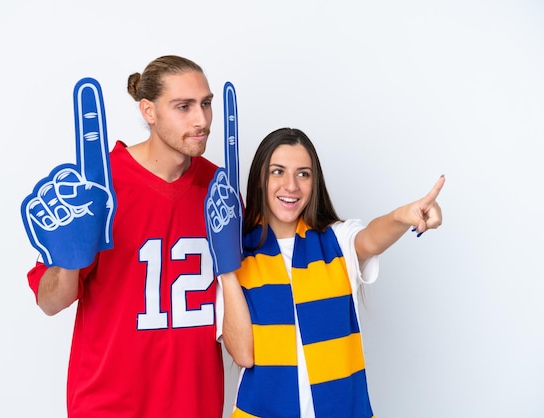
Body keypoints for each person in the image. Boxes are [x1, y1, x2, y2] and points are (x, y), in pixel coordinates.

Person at [25, 55, 224, 418]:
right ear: (148, 110)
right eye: (184, 107)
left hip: (195, 405)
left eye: (206, 104)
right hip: (109, 405)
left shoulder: (219, 190)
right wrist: (69, 256)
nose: (202, 120)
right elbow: (50, 302)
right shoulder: (99, 187)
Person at [208, 127, 444, 417]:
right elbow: (243, 354)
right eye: (278, 172)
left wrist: (401, 216)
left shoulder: (336, 241)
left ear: (314, 182)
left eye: (303, 174)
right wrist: (226, 264)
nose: (291, 186)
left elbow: (370, 238)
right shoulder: (237, 257)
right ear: (260, 178)